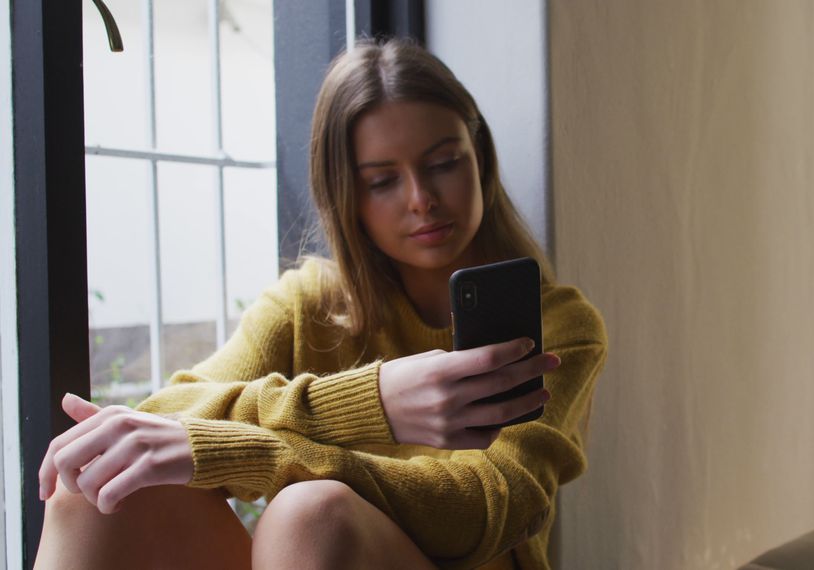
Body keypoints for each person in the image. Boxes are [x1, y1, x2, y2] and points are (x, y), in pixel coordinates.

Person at [34, 38, 606, 570]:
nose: (422, 200)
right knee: (93, 489)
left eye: (442, 163)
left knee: (311, 514)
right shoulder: (309, 303)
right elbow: (163, 417)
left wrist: (255, 457)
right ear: (346, 195)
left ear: (479, 156)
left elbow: (487, 509)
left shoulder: (559, 324)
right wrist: (373, 399)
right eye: (383, 180)